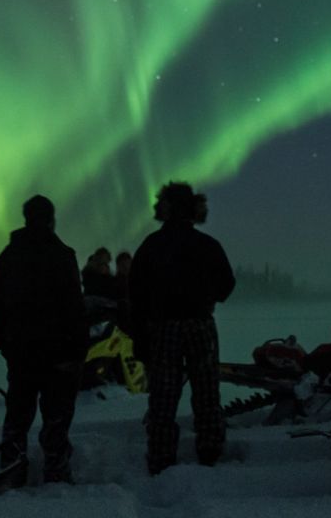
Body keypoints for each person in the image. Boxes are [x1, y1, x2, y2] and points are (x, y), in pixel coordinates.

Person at [129, 181, 235, 475]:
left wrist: (141, 336)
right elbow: (227, 284)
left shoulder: (151, 246)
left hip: (163, 328)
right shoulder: (207, 245)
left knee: (163, 392)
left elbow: (135, 295)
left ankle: (161, 456)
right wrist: (205, 298)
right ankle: (210, 448)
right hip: (200, 325)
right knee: (206, 389)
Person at [0, 194, 87, 485]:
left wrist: (6, 344)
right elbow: (74, 307)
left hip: (22, 353)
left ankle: (13, 469)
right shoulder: (62, 255)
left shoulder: (8, 257)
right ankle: (55, 470)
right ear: (51, 219)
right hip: (58, 354)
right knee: (56, 417)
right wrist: (78, 350)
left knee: (18, 416)